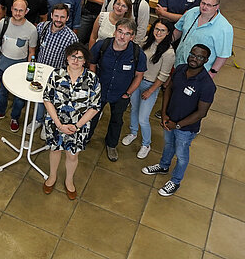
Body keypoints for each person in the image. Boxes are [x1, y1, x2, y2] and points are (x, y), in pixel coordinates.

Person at [142, 44, 216, 197]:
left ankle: (175, 181)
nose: (195, 59)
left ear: (206, 60)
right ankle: (163, 166)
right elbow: (168, 89)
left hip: (186, 128)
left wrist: (178, 125)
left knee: (181, 155)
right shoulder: (181, 69)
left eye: (200, 57)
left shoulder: (207, 85)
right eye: (193, 54)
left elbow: (202, 113)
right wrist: (164, 114)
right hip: (169, 120)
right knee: (168, 145)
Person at [42, 43, 101, 199]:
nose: (75, 60)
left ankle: (69, 181)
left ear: (84, 61)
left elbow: (95, 107)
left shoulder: (92, 79)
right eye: (73, 56)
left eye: (80, 57)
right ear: (67, 58)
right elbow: (47, 99)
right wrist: (59, 124)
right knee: (55, 150)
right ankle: (52, 176)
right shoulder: (56, 74)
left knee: (72, 155)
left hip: (79, 127)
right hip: (56, 123)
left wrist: (77, 125)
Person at [88, 18, 147, 162]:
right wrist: (94, 84)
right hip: (100, 91)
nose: (122, 36)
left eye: (127, 34)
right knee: (91, 116)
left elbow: (139, 76)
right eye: (120, 31)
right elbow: (92, 64)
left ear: (132, 37)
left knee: (116, 120)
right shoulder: (102, 46)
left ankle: (111, 145)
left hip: (121, 94)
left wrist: (128, 94)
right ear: (115, 31)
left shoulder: (137, 54)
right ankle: (85, 138)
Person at [122, 19, 175, 158]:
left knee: (143, 118)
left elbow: (163, 76)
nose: (158, 32)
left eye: (162, 30)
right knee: (133, 109)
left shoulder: (169, 53)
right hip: (137, 81)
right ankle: (133, 133)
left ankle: (146, 144)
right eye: (156, 29)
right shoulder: (146, 41)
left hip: (150, 85)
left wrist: (150, 91)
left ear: (168, 32)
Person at [27, 4, 79, 133]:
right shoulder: (42, 27)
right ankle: (37, 120)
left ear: (67, 18)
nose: (58, 19)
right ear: (51, 15)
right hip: (39, 71)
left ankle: (48, 124)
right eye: (56, 16)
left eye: (62, 17)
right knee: (39, 98)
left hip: (57, 76)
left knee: (53, 101)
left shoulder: (71, 38)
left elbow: (74, 60)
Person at [0, 0, 38, 130]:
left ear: (26, 11)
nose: (17, 13)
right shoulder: (3, 23)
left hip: (20, 68)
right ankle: (0, 110)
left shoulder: (32, 29)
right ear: (11, 9)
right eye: (15, 9)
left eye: (21, 10)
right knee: (1, 92)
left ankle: (15, 117)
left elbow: (31, 51)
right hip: (2, 65)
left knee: (19, 97)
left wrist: (29, 69)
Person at [173, 0, 233, 77]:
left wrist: (211, 74)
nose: (204, 7)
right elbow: (178, 30)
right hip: (178, 64)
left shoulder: (225, 28)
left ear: (217, 7)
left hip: (198, 73)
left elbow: (223, 56)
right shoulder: (191, 12)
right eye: (203, 3)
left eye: (209, 5)